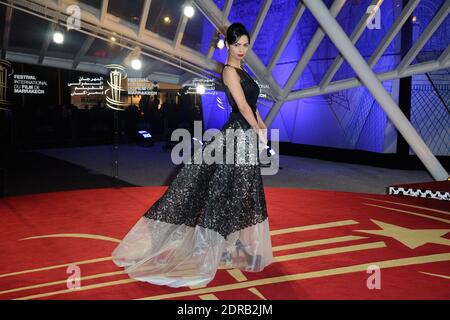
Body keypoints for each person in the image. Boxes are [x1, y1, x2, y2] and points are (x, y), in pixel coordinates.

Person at [112, 22, 273, 288]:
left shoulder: (244, 69)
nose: (242, 50)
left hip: (248, 134)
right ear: (228, 46)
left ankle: (234, 245)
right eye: (236, 45)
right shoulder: (230, 71)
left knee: (243, 190)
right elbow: (242, 105)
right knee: (225, 189)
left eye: (245, 45)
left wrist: (262, 125)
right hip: (238, 135)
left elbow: (252, 104)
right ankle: (215, 244)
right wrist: (257, 129)